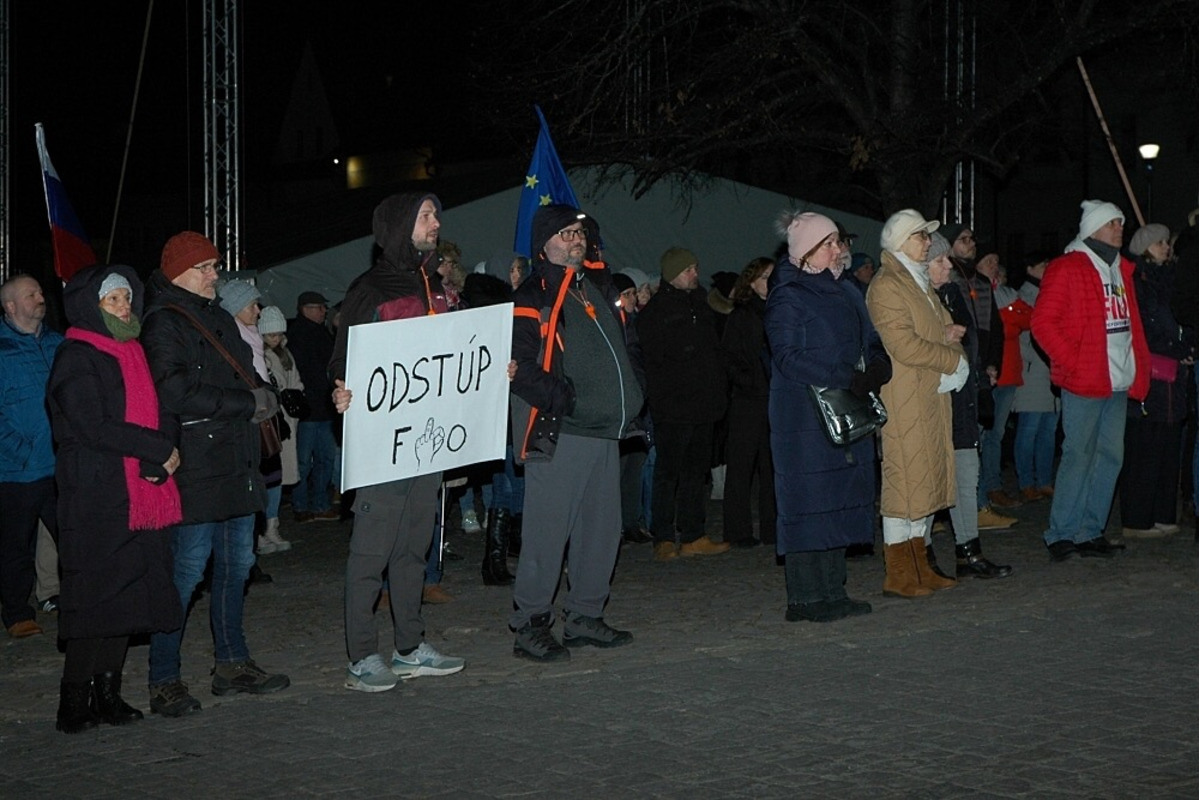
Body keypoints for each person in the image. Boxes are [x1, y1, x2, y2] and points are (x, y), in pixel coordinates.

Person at [141, 232, 290, 716]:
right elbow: (175, 392)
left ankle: (232, 663)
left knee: (236, 567)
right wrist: (248, 403)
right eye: (205, 267)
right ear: (179, 271)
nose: (214, 275)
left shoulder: (219, 317)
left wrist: (262, 396)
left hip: (236, 461)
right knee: (185, 572)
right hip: (199, 466)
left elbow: (246, 368)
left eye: (214, 266)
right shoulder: (164, 322)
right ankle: (164, 678)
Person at [330, 193, 465, 692]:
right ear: (401, 225)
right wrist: (341, 389)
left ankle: (409, 646)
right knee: (371, 552)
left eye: (435, 213)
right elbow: (344, 356)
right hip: (384, 442)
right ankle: (362, 655)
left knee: (413, 548)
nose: (436, 222)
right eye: (426, 216)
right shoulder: (371, 288)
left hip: (428, 441)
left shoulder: (438, 286)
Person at [46, 264, 184, 733]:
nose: (126, 307)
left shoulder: (133, 352)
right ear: (91, 306)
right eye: (113, 301)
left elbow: (160, 409)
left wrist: (161, 449)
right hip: (95, 496)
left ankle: (108, 693)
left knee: (127, 598)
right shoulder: (76, 356)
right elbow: (92, 426)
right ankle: (73, 700)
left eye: (127, 298)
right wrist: (156, 449)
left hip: (135, 493)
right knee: (95, 601)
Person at [508, 204, 643, 661]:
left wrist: (634, 390)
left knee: (601, 531)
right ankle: (530, 622)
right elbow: (520, 367)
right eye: (565, 233)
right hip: (559, 431)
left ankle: (585, 615)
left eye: (579, 234)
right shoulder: (532, 294)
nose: (575, 241)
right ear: (544, 243)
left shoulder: (599, 287)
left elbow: (626, 349)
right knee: (547, 534)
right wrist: (568, 399)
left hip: (606, 430)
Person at [766, 213, 888, 621]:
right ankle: (804, 597)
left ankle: (834, 590)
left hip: (847, 406)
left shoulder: (847, 289)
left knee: (839, 498)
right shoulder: (789, 293)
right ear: (806, 253)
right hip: (804, 415)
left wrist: (877, 364)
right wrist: (845, 376)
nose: (839, 250)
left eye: (839, 241)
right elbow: (787, 357)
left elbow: (869, 336)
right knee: (809, 502)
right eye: (829, 243)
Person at [1031, 200, 1150, 561]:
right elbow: (1043, 323)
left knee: (1110, 457)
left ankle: (1090, 530)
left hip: (1117, 379)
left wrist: (1136, 367)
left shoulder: (1121, 270)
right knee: (1078, 455)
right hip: (1085, 380)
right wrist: (1075, 362)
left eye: (1121, 222)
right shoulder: (1067, 267)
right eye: (1113, 222)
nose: (1120, 228)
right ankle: (1062, 532)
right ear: (1093, 229)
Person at [865, 210, 964, 597]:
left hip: (929, 394)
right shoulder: (889, 285)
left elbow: (938, 328)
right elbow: (902, 343)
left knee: (927, 483)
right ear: (902, 240)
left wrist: (947, 335)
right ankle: (899, 572)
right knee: (904, 482)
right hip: (906, 396)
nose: (927, 242)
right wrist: (951, 358)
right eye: (921, 236)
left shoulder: (917, 281)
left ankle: (921, 565)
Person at [926, 235, 1014, 578]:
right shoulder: (916, 296)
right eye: (940, 260)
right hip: (932, 400)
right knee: (931, 479)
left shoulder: (950, 291)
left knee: (966, 474)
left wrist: (980, 375)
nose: (949, 266)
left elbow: (971, 339)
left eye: (948, 259)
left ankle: (969, 552)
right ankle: (922, 555)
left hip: (963, 397)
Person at [637, 247, 731, 561]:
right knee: (668, 473)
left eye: (695, 267)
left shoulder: (703, 304)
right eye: (688, 269)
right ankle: (663, 536)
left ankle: (693, 533)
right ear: (672, 273)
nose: (694, 273)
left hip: (703, 404)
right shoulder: (656, 311)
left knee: (696, 472)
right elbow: (653, 360)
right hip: (673, 407)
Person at [1118, 224, 1196, 537]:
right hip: (1150, 372)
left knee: (1168, 442)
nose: (1166, 247)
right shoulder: (1140, 280)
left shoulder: (1169, 277)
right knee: (1146, 444)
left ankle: (1163, 512)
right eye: (1160, 243)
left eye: (1167, 241)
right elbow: (1150, 323)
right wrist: (1179, 347)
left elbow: (1181, 312)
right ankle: (1137, 518)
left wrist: (1188, 345)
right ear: (1146, 247)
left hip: (1174, 375)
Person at [0, 274, 63, 639]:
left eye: (40, 292)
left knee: (71, 538)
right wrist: (19, 450)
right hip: (16, 472)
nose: (41, 297)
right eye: (31, 294)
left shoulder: (57, 344)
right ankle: (17, 612)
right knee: (15, 546)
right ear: (11, 306)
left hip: (58, 464)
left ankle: (75, 601)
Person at [219, 281, 292, 556]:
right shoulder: (234, 340)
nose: (258, 310)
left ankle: (261, 533)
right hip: (247, 422)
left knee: (268, 477)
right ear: (235, 308)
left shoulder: (251, 336)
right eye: (252, 305)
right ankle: (251, 542)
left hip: (263, 417)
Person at [721, 257, 777, 549]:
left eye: (772, 276)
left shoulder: (776, 312)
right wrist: (749, 382)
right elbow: (729, 358)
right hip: (748, 400)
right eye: (765, 276)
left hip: (772, 398)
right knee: (742, 466)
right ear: (752, 282)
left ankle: (773, 528)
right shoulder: (742, 315)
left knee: (772, 466)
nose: (770, 282)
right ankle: (737, 529)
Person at [288, 291, 339, 523]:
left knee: (324, 459)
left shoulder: (321, 333)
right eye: (319, 307)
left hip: (324, 408)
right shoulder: (297, 335)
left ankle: (319, 504)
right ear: (305, 309)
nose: (323, 311)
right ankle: (301, 505)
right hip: (309, 411)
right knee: (303, 461)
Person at [1011, 253, 1058, 501]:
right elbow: (1021, 337)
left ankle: (1044, 480)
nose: (1048, 267)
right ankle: (1026, 481)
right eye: (1043, 263)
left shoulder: (1051, 292)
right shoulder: (1023, 297)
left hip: (1052, 373)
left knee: (1048, 430)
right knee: (1029, 429)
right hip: (1034, 373)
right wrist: (1042, 357)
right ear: (1030, 268)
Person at [258, 305, 301, 552]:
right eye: (270, 335)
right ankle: (262, 528)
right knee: (269, 476)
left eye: (277, 334)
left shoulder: (285, 354)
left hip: (286, 421)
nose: (275, 339)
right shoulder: (260, 355)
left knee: (278, 477)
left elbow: (295, 379)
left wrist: (295, 395)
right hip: (271, 422)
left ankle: (271, 525)